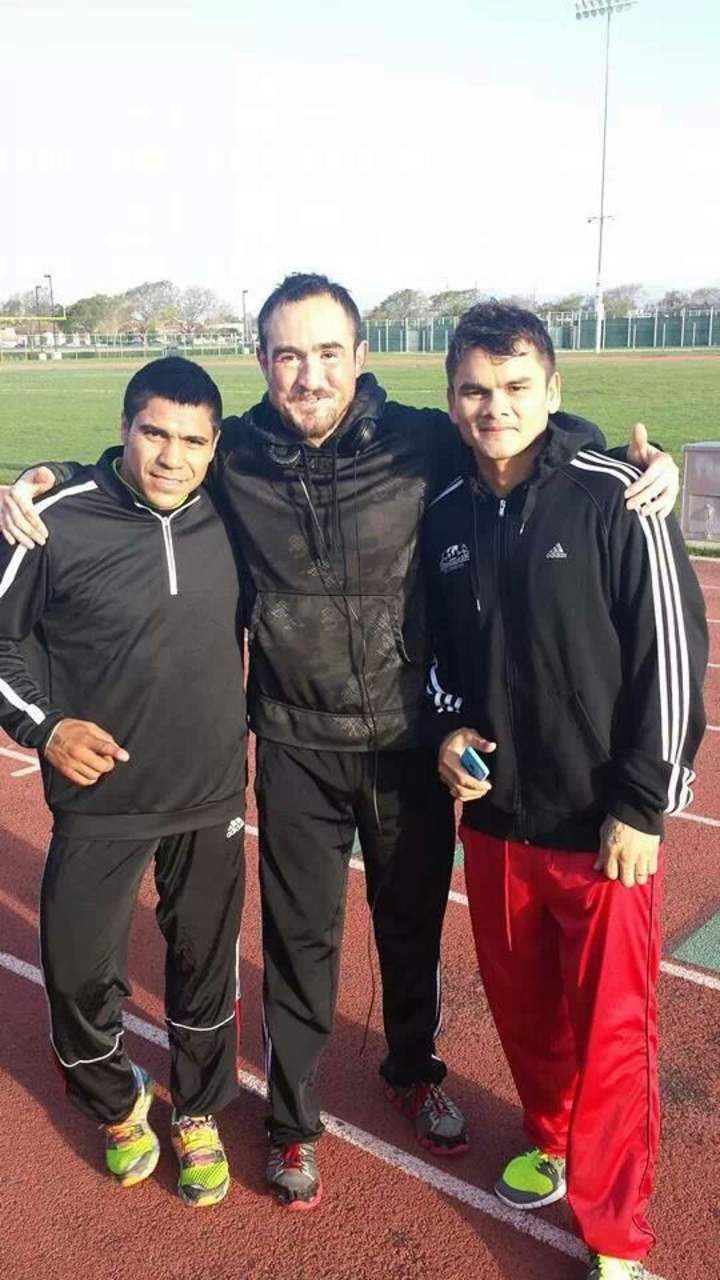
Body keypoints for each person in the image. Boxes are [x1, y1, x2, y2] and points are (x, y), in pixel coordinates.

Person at [0, 274, 680, 1214]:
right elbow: (149, 458)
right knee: (300, 942)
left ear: (361, 357)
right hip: (294, 742)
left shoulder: (423, 439)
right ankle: (292, 1119)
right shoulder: (236, 451)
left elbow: (520, 433)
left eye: (327, 353)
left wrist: (638, 462)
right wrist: (41, 480)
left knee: (409, 931)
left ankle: (412, 1070)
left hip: (408, 742)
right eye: (288, 355)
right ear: (263, 362)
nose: (308, 374)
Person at [424, 303, 707, 1280]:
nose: (494, 407)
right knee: (526, 1014)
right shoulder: (446, 513)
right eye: (475, 390)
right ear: (451, 400)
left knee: (614, 1034)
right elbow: (438, 659)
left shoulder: (618, 495)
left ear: (553, 389)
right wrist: (447, 729)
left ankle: (616, 1233)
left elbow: (673, 658)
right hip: (498, 824)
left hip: (602, 830)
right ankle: (551, 1135)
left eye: (515, 387)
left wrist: (644, 803)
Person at [0, 357, 248, 1207]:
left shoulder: (233, 510)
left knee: (205, 961)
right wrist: (46, 727)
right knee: (76, 967)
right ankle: (115, 1100)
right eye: (154, 434)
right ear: (124, 429)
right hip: (101, 796)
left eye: (192, 441)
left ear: (215, 446)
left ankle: (199, 1109)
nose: (172, 457)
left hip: (210, 791)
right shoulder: (54, 519)